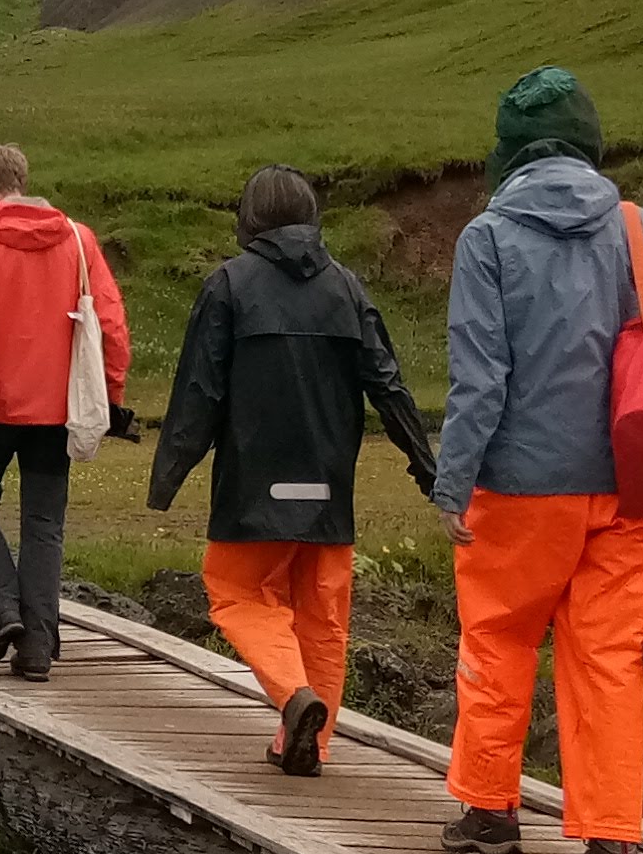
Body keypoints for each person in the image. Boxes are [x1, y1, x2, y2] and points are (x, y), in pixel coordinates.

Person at [431, 67, 643, 854]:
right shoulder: (638, 228)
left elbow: (480, 380)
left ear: (508, 150)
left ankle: (488, 811)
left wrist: (451, 483)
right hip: (629, 482)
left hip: (519, 485)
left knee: (499, 641)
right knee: (610, 659)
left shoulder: (486, 238)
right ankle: (612, 839)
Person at [147, 166, 439, 774]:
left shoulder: (229, 285)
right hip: (330, 484)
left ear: (249, 219)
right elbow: (388, 384)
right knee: (323, 620)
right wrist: (426, 466)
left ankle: (293, 696)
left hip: (255, 483)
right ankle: (309, 745)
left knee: (235, 593)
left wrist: (168, 476)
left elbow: (200, 391)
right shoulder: (347, 287)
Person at [0, 141, 130, 682]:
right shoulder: (78, 238)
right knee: (44, 524)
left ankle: (1, 608)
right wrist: (110, 395)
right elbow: (111, 325)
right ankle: (38, 647)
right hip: (57, 408)